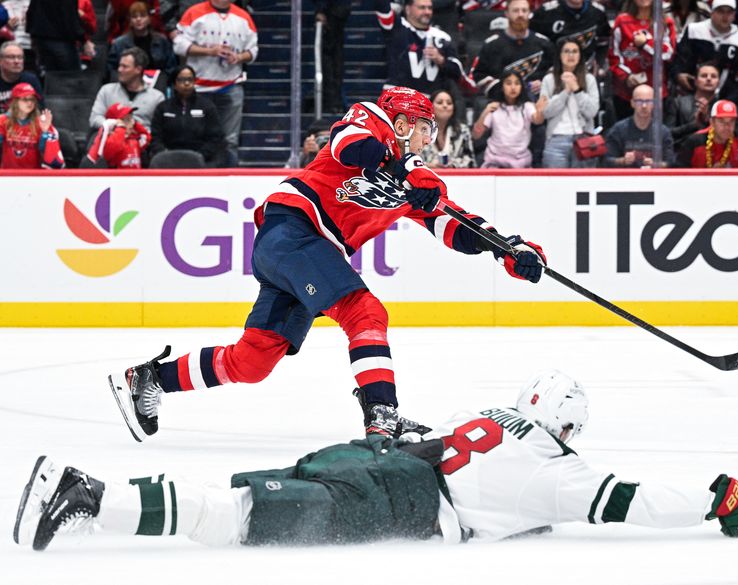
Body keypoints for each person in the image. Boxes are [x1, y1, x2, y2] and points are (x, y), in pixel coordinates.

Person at [106, 86, 547, 442]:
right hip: (292, 229)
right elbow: (348, 144)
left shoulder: (415, 184)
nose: (428, 140)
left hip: (302, 253)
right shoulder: (368, 120)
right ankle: (382, 414)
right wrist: (405, 170)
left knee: (253, 361)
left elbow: (455, 226)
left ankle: (152, 378)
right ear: (401, 122)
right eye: (424, 130)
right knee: (365, 312)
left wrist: (510, 249)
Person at [15, 370, 738, 551]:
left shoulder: (486, 413)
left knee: (239, 497)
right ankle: (90, 494)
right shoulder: (559, 468)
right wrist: (717, 496)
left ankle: (98, 495)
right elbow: (630, 499)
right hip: (400, 496)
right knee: (239, 514)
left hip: (372, 456)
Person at [173, 0, 259, 167]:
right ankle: (197, 174)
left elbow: (253, 50)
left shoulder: (244, 17)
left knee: (230, 139)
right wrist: (209, 51)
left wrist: (239, 57)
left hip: (231, 85)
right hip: (198, 88)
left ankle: (230, 175)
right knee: (196, 136)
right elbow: (179, 45)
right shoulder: (194, 12)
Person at [376, 0, 473, 97]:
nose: (427, 12)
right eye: (422, 8)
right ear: (408, 9)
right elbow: (382, 8)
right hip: (398, 97)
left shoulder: (442, 37)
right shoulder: (396, 27)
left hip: (429, 100)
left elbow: (457, 73)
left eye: (430, 8)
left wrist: (441, 60)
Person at [671, 0, 738, 104]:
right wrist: (678, 74)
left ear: (734, 15)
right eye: (720, 11)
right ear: (712, 13)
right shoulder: (694, 30)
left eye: (729, 12)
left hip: (726, 101)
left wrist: (729, 101)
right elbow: (679, 58)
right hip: (690, 96)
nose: (725, 16)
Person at [470, 0, 556, 100]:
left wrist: (544, 83)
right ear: (507, 13)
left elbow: (555, 71)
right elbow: (479, 75)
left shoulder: (544, 43)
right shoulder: (491, 45)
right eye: (516, 11)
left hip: (538, 103)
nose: (520, 14)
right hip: (501, 102)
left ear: (529, 13)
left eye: (524, 11)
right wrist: (503, 88)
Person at [608, 0, 676, 120]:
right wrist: (626, 76)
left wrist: (646, 43)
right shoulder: (622, 21)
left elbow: (668, 54)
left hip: (657, 92)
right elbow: (614, 57)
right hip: (626, 94)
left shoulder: (665, 22)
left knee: (656, 135)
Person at [537, 38, 600, 168]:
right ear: (559, 55)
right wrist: (565, 91)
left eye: (575, 51)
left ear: (580, 56)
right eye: (566, 51)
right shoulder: (549, 80)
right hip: (556, 139)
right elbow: (546, 112)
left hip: (584, 139)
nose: (571, 55)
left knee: (582, 185)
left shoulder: (589, 79)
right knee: (556, 185)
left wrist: (577, 90)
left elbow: (592, 111)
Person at [149, 64, 227, 167]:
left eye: (190, 80)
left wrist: (201, 155)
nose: (186, 83)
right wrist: (163, 153)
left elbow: (215, 136)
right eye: (181, 80)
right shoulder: (163, 108)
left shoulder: (207, 106)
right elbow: (155, 136)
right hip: (168, 158)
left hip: (201, 158)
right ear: (174, 83)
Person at [473, 70, 545, 167]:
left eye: (517, 83)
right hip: (494, 162)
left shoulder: (527, 106)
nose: (513, 87)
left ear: (521, 87)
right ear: (502, 87)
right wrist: (485, 113)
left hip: (521, 162)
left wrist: (540, 110)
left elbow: (537, 120)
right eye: (508, 83)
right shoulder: (494, 107)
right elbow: (476, 135)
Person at [90, 47, 164, 131]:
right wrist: (113, 124)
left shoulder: (157, 97)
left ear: (138, 69)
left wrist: (138, 132)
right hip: (112, 138)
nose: (119, 69)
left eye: (125, 67)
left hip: (143, 140)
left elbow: (159, 129)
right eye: (119, 66)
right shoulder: (107, 90)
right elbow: (95, 118)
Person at [603, 83, 674, 168]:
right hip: (626, 179)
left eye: (648, 101)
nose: (644, 106)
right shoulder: (618, 130)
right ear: (632, 103)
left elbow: (671, 164)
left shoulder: (663, 132)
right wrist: (623, 161)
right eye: (639, 101)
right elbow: (606, 161)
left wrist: (656, 164)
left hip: (654, 179)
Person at [677, 98, 738, 167]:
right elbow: (678, 172)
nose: (727, 126)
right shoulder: (695, 142)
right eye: (721, 121)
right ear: (712, 122)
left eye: (731, 121)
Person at [107, 1, 177, 82]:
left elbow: (170, 68)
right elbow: (112, 70)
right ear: (130, 20)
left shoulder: (162, 41)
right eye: (134, 17)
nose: (138, 19)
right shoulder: (119, 44)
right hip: (127, 83)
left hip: (156, 84)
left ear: (149, 19)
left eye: (142, 16)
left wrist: (161, 81)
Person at [0, 81, 63, 168]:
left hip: (33, 176)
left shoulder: (42, 122)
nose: (30, 103)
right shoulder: (3, 121)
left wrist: (45, 132)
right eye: (25, 99)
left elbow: (53, 161)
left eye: (32, 99)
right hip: (7, 176)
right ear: (15, 101)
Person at [530, 0, 612, 67]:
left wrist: (599, 62)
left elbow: (604, 41)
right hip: (555, 70)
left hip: (587, 69)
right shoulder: (545, 12)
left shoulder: (598, 12)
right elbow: (533, 41)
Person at [419, 89, 476, 168]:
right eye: (440, 102)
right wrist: (430, 166)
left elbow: (471, 162)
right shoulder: (419, 131)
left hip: (456, 178)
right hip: (425, 177)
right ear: (430, 107)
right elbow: (411, 161)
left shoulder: (463, 130)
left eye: (449, 103)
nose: (445, 105)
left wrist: (451, 165)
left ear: (453, 109)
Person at [665, 61, 717, 147]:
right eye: (704, 76)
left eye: (713, 76)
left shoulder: (722, 105)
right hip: (682, 151)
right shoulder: (678, 102)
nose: (709, 79)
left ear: (718, 82)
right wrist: (694, 125)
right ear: (695, 81)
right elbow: (667, 133)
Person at [86, 102, 151, 168]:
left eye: (131, 119)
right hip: (118, 177)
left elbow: (146, 137)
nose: (131, 123)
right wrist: (120, 128)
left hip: (135, 177)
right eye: (127, 120)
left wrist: (136, 124)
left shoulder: (134, 140)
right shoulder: (108, 141)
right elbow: (114, 146)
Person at [25, 0, 84, 71]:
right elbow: (70, 17)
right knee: (71, 76)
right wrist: (84, 39)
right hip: (62, 40)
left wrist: (32, 35)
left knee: (49, 75)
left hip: (41, 39)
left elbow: (31, 13)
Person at [315, 0, 351, 113]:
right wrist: (321, 9)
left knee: (334, 60)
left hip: (335, 13)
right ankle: (333, 102)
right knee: (331, 60)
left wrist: (321, 9)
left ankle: (335, 102)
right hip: (333, 12)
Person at [0, 40, 41, 114]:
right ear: (1, 61)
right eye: (11, 57)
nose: (16, 61)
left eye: (20, 57)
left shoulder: (31, 80)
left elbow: (40, 110)